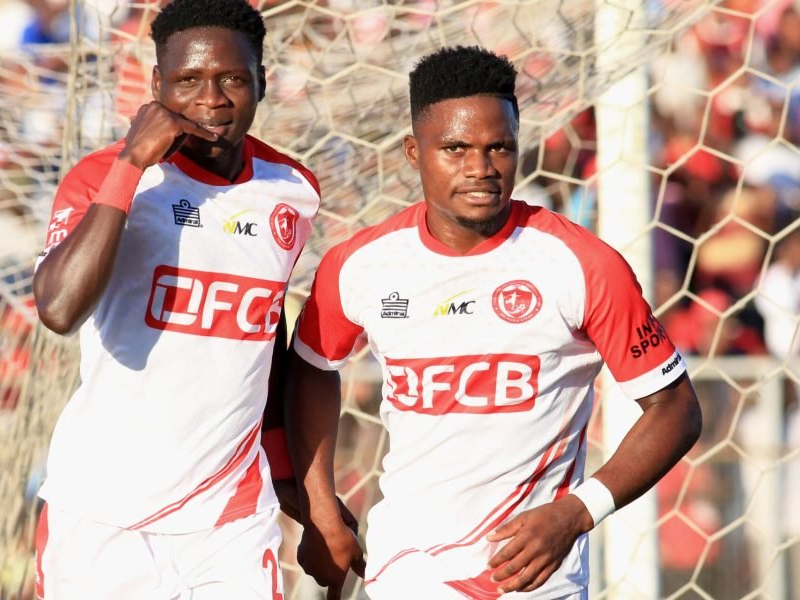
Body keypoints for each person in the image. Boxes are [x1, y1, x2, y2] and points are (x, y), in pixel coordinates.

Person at [286, 46, 702, 600]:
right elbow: (311, 370)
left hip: (532, 581)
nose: (480, 169)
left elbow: (675, 408)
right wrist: (319, 509)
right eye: (454, 149)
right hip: (405, 571)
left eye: (498, 147)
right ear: (414, 151)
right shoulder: (359, 264)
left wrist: (579, 512)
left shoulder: (580, 263)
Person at [30, 0, 323, 596]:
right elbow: (58, 309)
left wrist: (292, 479)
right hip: (102, 512)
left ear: (261, 81)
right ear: (157, 86)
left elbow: (267, 336)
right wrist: (133, 162)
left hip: (230, 518)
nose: (211, 99)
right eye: (188, 81)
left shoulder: (292, 191)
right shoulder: (103, 176)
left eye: (232, 79)